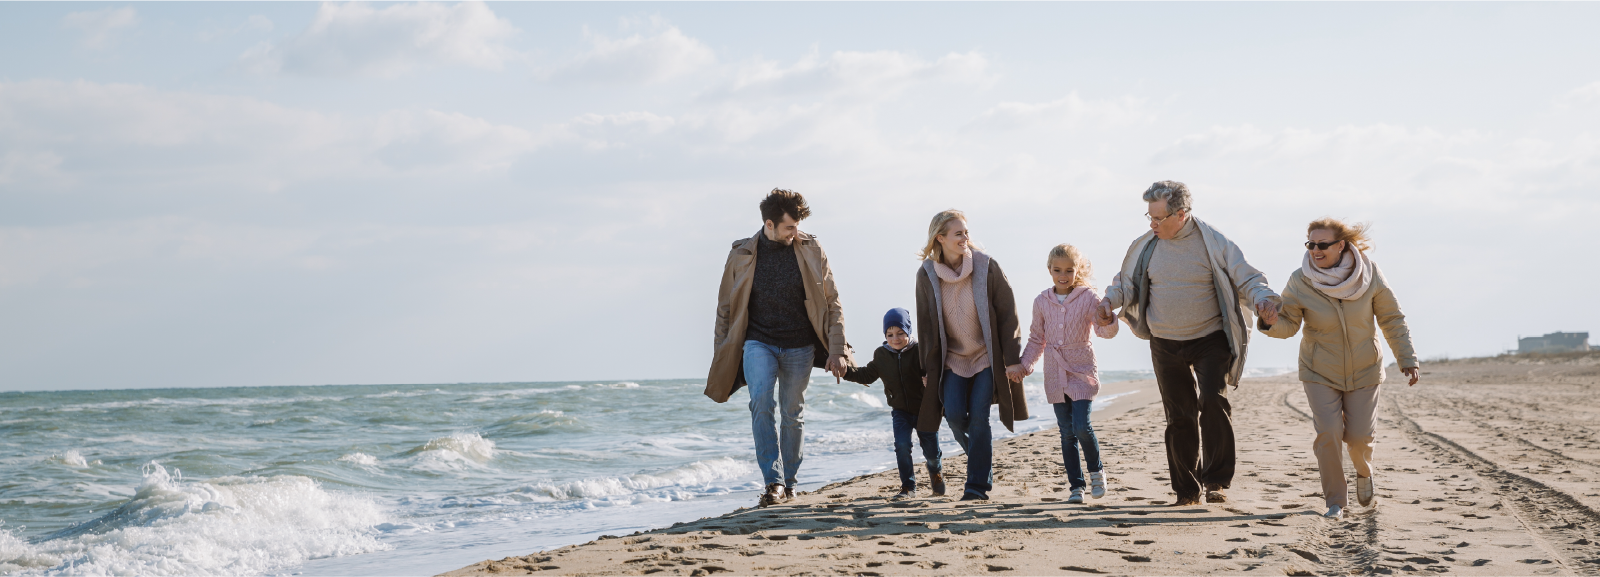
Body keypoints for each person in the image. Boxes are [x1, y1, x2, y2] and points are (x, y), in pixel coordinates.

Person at [1097, 181, 1281, 507]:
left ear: (1181, 214)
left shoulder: (1214, 242)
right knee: (1179, 416)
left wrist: (1265, 299)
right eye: (1149, 217)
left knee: (1212, 402)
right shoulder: (1145, 245)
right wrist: (1107, 302)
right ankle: (1186, 491)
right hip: (1165, 342)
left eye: (1158, 218)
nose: (1152, 224)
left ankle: (1216, 481)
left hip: (1210, 338)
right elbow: (1124, 283)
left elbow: (1248, 278)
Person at [1259, 218, 1419, 519]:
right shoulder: (1300, 280)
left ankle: (1363, 471)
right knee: (1328, 433)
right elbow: (1289, 325)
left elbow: (1392, 318)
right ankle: (1335, 501)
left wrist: (1407, 358)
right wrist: (1269, 321)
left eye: (1322, 245)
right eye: (1310, 244)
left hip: (1365, 368)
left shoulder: (1369, 275)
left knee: (1359, 438)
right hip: (1319, 369)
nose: (1315, 251)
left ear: (1341, 245)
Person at [705, 189, 854, 508]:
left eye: (797, 226)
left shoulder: (812, 250)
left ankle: (790, 483)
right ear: (769, 224)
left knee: (792, 412)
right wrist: (723, 356)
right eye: (789, 227)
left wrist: (838, 349)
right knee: (760, 403)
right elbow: (725, 309)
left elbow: (832, 301)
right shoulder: (741, 254)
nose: (795, 233)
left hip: (800, 345)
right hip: (758, 342)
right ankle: (772, 482)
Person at [914, 209, 1027, 501]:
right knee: (952, 414)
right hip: (952, 359)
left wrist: (1012, 357)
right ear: (940, 238)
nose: (966, 237)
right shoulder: (926, 274)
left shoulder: (986, 266)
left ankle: (976, 486)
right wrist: (926, 368)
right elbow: (925, 325)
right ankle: (980, 455)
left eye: (966, 232)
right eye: (958, 233)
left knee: (979, 417)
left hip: (986, 357)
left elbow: (1008, 315)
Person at [1019, 244, 1118, 504]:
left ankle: (1096, 472)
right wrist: (1025, 365)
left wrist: (1108, 320)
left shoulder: (1088, 297)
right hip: (1054, 371)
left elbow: (1102, 331)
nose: (1063, 275)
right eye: (1057, 270)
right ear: (1049, 270)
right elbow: (1036, 339)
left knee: (1081, 426)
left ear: (1078, 270)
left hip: (1082, 368)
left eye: (1069, 270)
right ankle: (1077, 486)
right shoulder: (1041, 301)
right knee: (1066, 432)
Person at [843, 308, 945, 500]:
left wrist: (931, 378)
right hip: (900, 411)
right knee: (902, 445)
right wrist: (844, 372)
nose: (895, 338)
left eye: (900, 333)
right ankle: (908, 487)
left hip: (926, 410)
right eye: (889, 334)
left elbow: (937, 370)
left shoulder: (921, 350)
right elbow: (866, 374)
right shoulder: (881, 355)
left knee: (931, 452)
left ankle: (936, 471)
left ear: (909, 331)